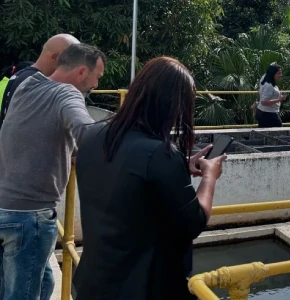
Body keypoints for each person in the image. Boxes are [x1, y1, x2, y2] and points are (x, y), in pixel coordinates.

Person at [72, 56, 227, 300]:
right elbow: (194, 222)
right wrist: (209, 176)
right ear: (171, 104)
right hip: (141, 289)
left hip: (93, 282)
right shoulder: (159, 154)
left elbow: (126, 181)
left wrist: (179, 169)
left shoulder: (93, 135)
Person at [0, 43, 102, 300]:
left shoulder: (27, 84)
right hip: (30, 215)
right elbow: (89, 134)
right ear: (81, 72)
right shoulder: (67, 94)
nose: (96, 86)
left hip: (6, 206)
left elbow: (38, 131)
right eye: (97, 77)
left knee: (44, 282)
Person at [0, 34, 80, 131]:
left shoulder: (22, 75)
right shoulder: (35, 82)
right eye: (72, 61)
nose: (74, 67)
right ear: (55, 57)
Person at [256, 63, 285, 127]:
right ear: (273, 74)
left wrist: (271, 65)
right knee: (279, 132)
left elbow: (267, 73)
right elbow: (264, 102)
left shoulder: (264, 80)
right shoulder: (269, 86)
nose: (281, 75)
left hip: (265, 112)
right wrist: (279, 100)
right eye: (278, 73)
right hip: (268, 114)